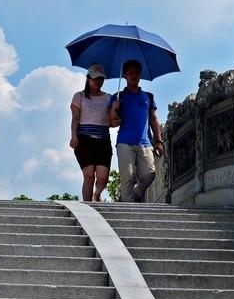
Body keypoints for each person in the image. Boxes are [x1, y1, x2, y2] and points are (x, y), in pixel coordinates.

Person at [110, 59, 164, 201]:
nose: (133, 75)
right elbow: (111, 122)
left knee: (149, 173)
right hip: (125, 142)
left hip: (145, 142)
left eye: (136, 73)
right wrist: (114, 108)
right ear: (125, 75)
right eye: (130, 73)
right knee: (127, 177)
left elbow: (153, 119)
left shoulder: (148, 96)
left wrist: (158, 141)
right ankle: (128, 206)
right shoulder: (118, 96)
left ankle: (133, 194)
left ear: (140, 75)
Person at [69, 63, 114, 201]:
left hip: (103, 140)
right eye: (95, 78)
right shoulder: (79, 96)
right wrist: (73, 135)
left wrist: (116, 111)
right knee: (89, 175)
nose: (98, 81)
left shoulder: (109, 98)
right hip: (84, 139)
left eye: (101, 79)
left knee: (103, 177)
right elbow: (75, 117)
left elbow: (113, 122)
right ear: (88, 78)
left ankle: (97, 193)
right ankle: (88, 205)